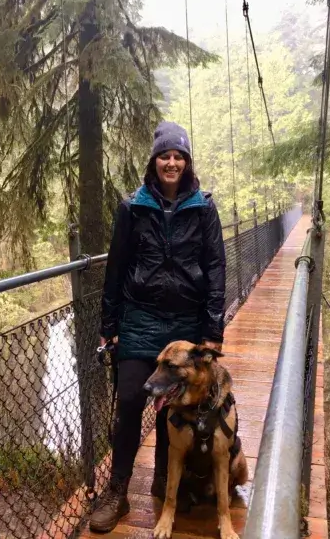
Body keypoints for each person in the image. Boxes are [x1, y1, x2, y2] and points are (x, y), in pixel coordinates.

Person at [89, 121, 227, 532]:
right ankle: (118, 491)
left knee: (176, 404)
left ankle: (167, 478)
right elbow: (116, 267)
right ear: (154, 161)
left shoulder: (204, 207)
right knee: (131, 399)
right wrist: (109, 324)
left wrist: (212, 328)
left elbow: (216, 268)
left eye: (178, 156)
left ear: (186, 162)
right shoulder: (132, 207)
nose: (172, 162)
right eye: (165, 156)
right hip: (139, 318)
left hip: (186, 321)